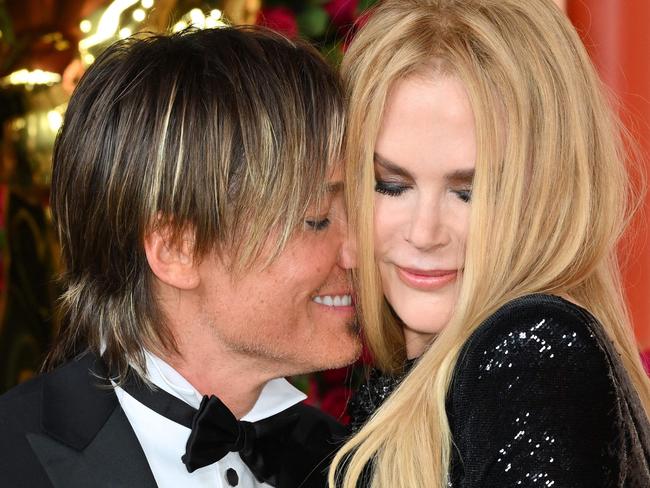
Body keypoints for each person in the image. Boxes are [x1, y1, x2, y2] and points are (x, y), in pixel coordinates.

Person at [0, 26, 360, 488]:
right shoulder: (13, 461)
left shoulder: (342, 461)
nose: (357, 251)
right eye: (315, 218)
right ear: (176, 248)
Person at [331, 0, 650, 486]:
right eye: (390, 185)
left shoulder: (531, 353)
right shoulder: (444, 376)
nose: (424, 232)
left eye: (470, 193)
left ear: (549, 195)